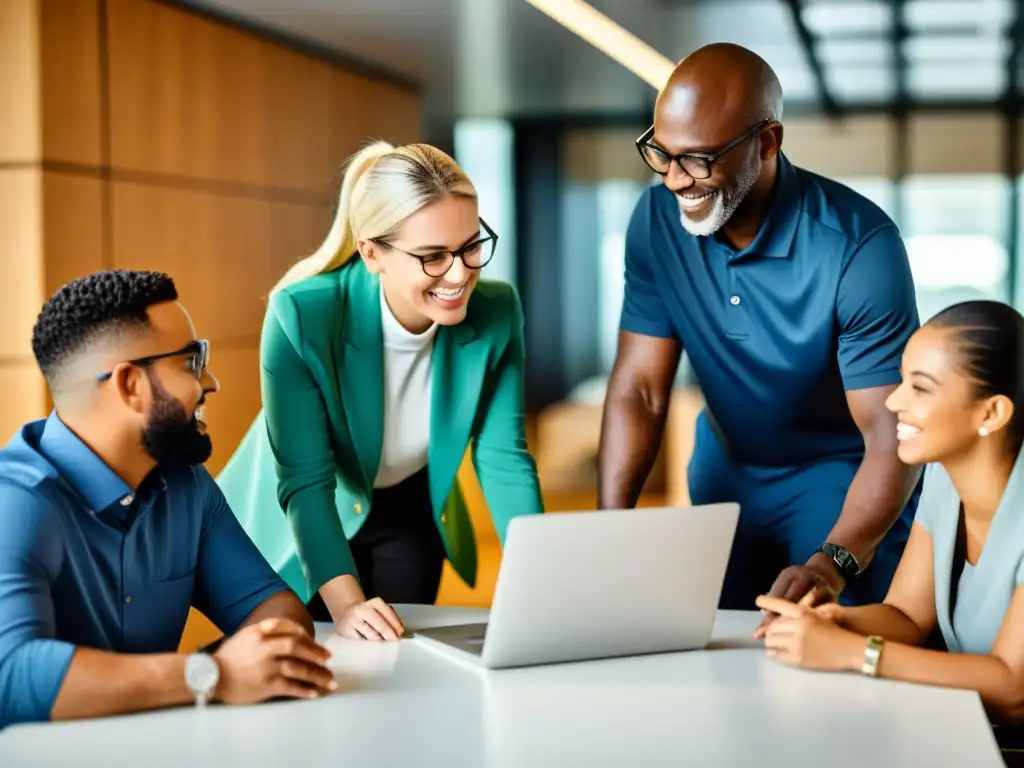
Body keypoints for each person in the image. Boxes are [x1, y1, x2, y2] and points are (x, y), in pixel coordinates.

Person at [598, 42, 922, 616]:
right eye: (662, 154)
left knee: (823, 641)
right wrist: (609, 528)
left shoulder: (859, 247)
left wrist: (835, 560)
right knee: (720, 643)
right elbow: (640, 389)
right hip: (726, 469)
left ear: (767, 143)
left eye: (697, 159)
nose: (674, 180)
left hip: (839, 481)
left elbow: (888, 434)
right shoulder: (654, 225)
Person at [217, 141, 544, 642]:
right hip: (300, 517)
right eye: (433, 257)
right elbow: (306, 481)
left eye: (472, 246)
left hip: (409, 506)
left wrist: (543, 583)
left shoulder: (498, 310)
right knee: (312, 664)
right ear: (372, 252)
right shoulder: (302, 315)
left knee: (401, 664)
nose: (461, 274)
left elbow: (503, 458)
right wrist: (346, 605)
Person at [0, 270, 335, 728]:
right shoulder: (17, 501)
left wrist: (241, 667)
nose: (211, 381)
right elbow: (9, 675)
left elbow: (277, 608)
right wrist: (212, 675)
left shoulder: (186, 484)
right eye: (190, 363)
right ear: (130, 386)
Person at [756, 300, 1024, 733]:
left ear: (991, 413)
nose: (894, 400)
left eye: (920, 388)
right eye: (901, 379)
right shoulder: (943, 472)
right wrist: (835, 621)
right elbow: (906, 617)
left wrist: (851, 654)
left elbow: (1013, 690)